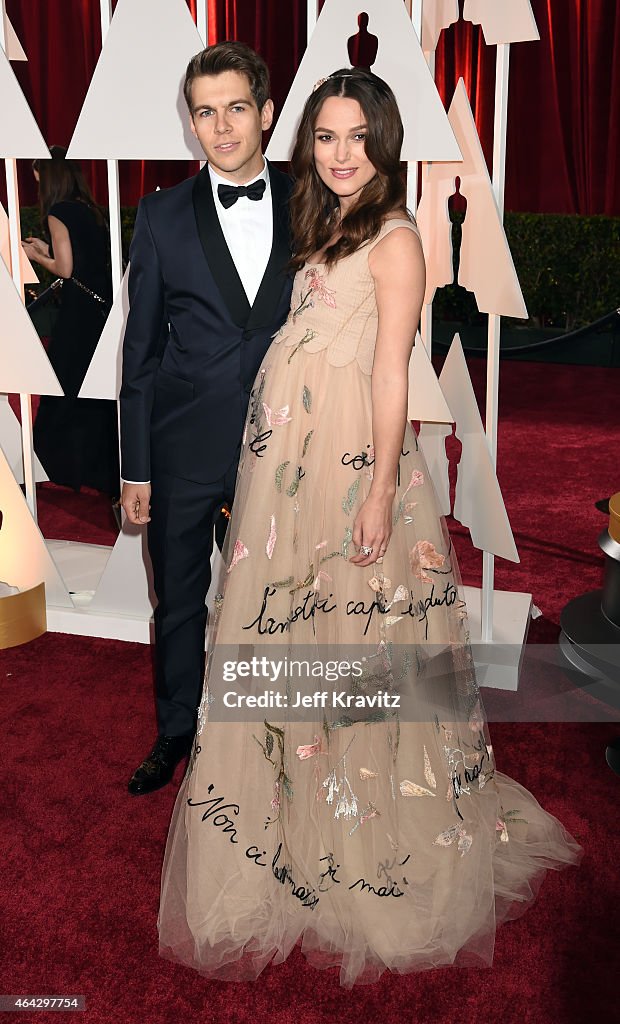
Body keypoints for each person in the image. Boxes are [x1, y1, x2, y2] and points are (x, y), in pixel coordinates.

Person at [157, 69, 582, 987]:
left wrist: (382, 488)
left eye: (357, 137)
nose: (341, 153)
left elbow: (392, 375)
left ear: (384, 145)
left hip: (351, 468)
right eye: (326, 137)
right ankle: (294, 820)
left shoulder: (396, 241)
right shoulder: (324, 223)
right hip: (286, 472)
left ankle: (368, 833)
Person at [119, 43, 294, 796]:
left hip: (288, 446)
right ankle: (175, 731)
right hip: (182, 446)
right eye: (205, 112)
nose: (221, 127)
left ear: (267, 112)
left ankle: (276, 735)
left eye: (236, 108)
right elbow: (141, 350)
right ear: (190, 123)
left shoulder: (314, 199)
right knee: (180, 600)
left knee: (282, 599)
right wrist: (136, 466)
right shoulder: (159, 216)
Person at [22, 146, 119, 498]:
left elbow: (65, 270)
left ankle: (61, 466)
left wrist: (35, 255)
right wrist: (48, 253)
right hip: (101, 312)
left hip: (79, 315)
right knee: (94, 393)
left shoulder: (58, 212)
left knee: (65, 387)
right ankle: (98, 471)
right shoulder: (89, 209)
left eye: (37, 179)